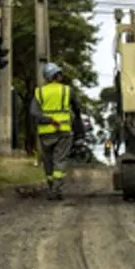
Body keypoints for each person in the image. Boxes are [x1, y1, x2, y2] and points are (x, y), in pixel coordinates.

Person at [30, 62, 85, 200]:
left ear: (47, 78)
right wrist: (77, 119)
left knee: (48, 161)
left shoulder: (39, 92)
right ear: (58, 76)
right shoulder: (67, 90)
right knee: (59, 160)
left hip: (45, 133)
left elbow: (33, 112)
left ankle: (51, 186)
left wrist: (48, 120)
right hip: (63, 131)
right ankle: (56, 189)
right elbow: (78, 107)